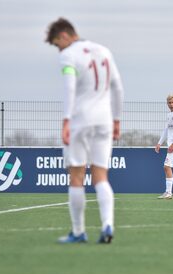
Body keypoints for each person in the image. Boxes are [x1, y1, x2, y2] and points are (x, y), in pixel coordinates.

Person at [45, 18, 124, 243]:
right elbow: (118, 88)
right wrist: (117, 120)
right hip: (104, 120)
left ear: (64, 36)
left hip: (81, 120)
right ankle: (108, 225)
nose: (58, 49)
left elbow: (69, 88)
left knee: (76, 177)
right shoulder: (105, 51)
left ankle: (78, 232)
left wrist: (66, 120)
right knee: (101, 176)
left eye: (57, 44)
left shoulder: (69, 55)